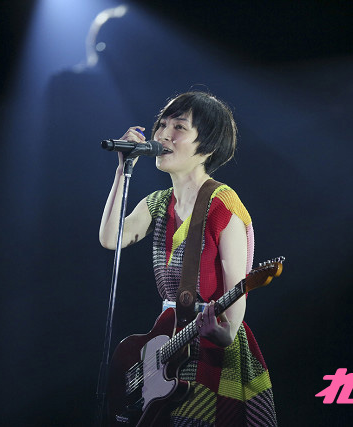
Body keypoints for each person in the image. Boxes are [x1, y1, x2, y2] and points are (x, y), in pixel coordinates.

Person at [99, 91, 277, 426]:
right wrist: (123, 170)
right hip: (169, 343)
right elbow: (111, 239)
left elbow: (237, 287)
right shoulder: (158, 203)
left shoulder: (223, 204)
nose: (163, 134)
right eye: (162, 124)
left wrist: (224, 332)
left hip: (212, 349)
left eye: (179, 127)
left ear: (207, 146)